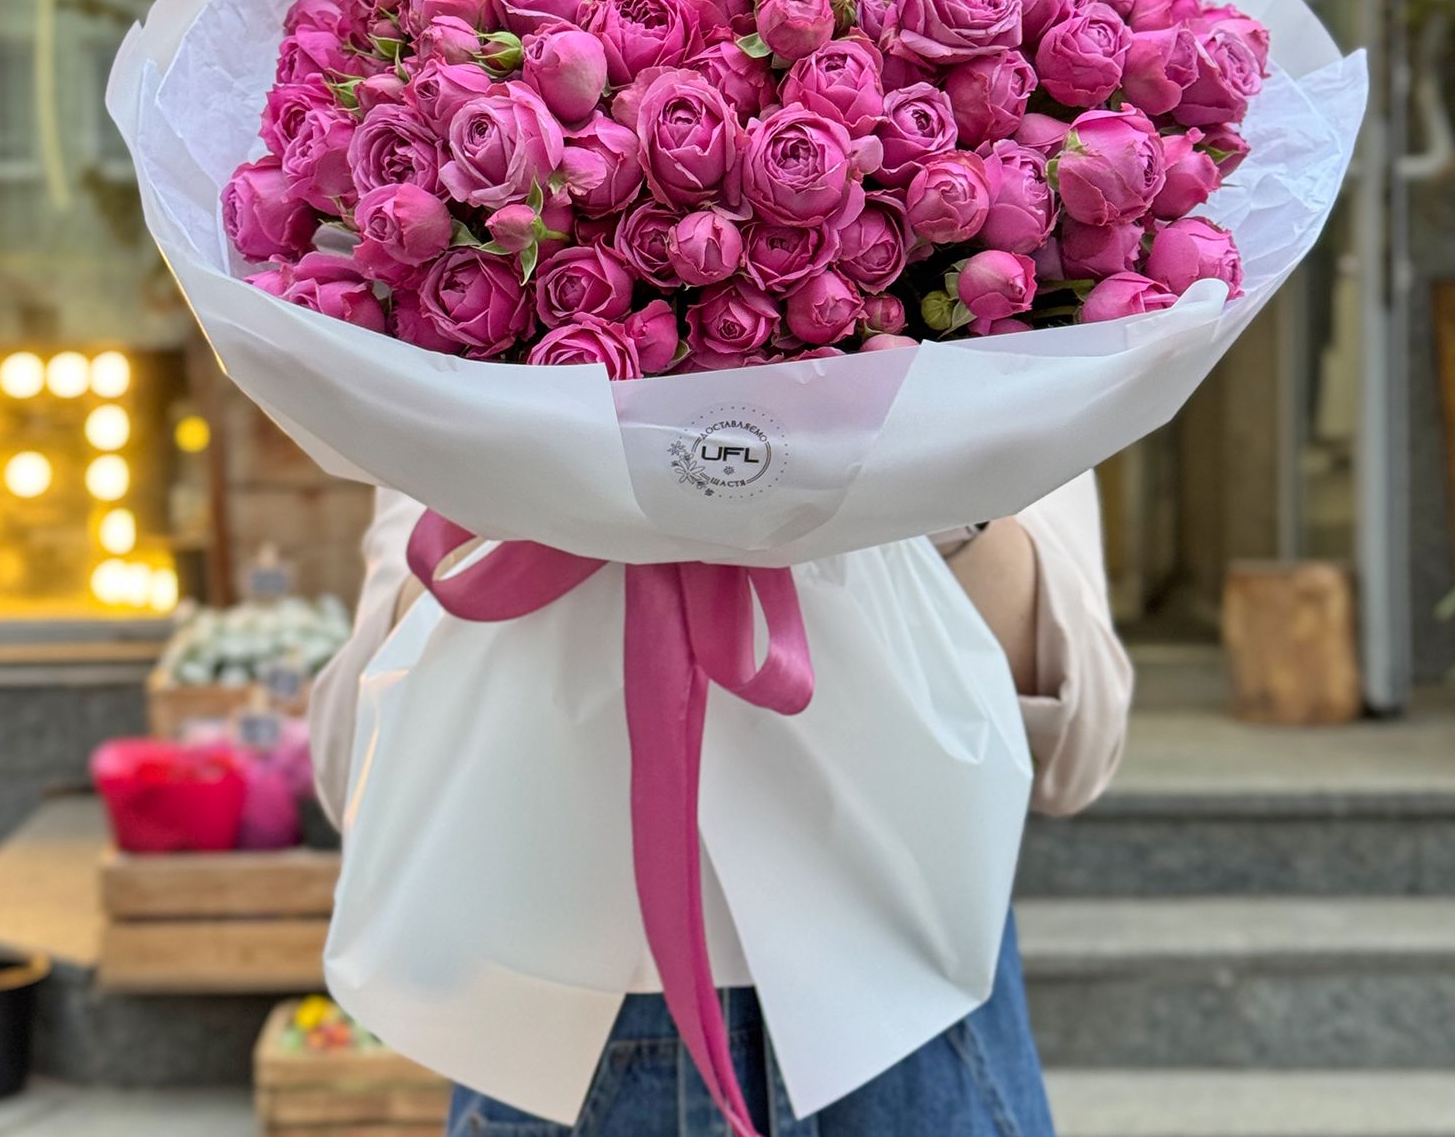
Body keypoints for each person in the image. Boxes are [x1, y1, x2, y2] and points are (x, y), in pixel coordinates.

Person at [311, 472, 1132, 1137]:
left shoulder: (1004, 350)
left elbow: (1077, 746)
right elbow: (357, 765)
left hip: (911, 1009)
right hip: (575, 1026)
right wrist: (520, 487)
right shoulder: (446, 373)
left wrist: (934, 487)